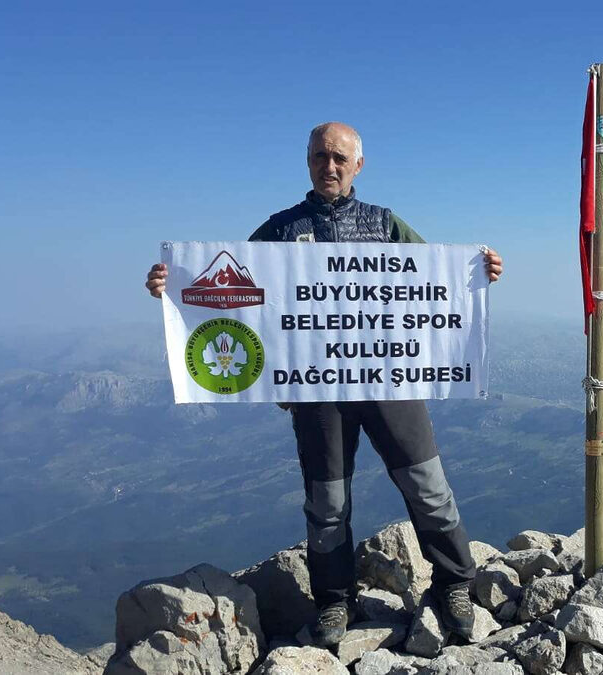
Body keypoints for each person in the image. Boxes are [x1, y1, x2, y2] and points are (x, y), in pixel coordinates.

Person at [145, 121, 503, 647]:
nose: (328, 166)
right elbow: (227, 289)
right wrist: (170, 285)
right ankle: (335, 600)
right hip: (317, 392)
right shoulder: (281, 230)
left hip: (389, 382)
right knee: (328, 503)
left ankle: (453, 583)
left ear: (359, 164)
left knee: (428, 487)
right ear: (307, 162)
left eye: (338, 157)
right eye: (319, 157)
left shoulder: (384, 223)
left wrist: (481, 272)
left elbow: (437, 280)